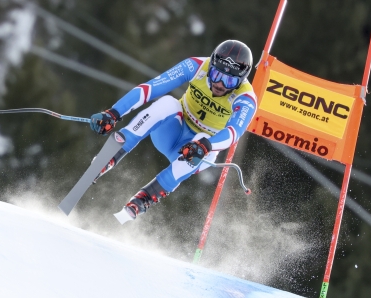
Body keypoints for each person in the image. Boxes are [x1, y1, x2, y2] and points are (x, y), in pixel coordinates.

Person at [89, 39, 257, 221]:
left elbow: (234, 133)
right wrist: (114, 112)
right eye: (216, 74)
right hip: (171, 130)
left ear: (240, 81)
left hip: (195, 150)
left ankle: (144, 198)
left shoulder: (246, 98)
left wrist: (206, 145)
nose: (220, 84)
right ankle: (108, 157)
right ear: (211, 65)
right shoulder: (197, 66)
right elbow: (150, 88)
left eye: (230, 80)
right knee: (168, 102)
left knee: (201, 139)